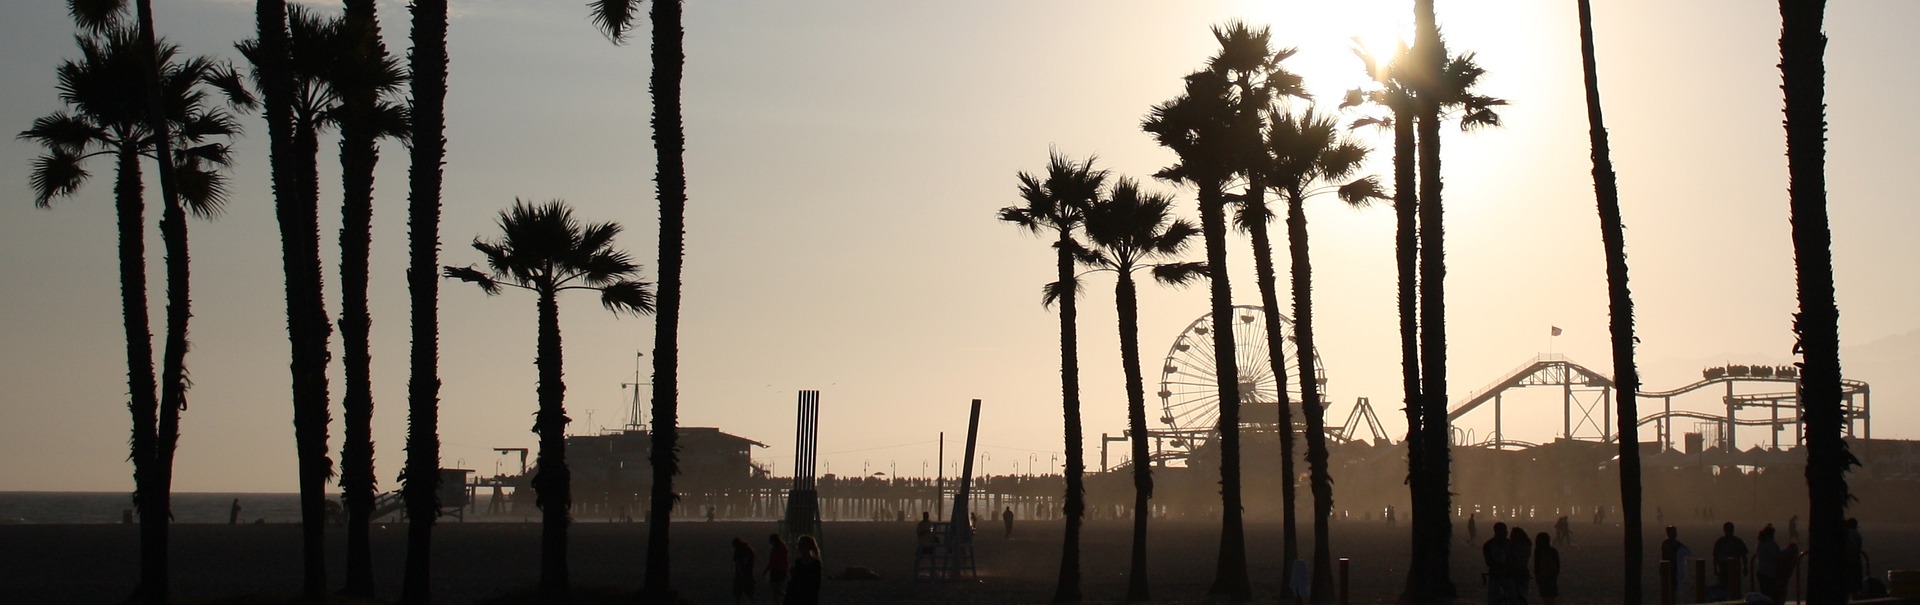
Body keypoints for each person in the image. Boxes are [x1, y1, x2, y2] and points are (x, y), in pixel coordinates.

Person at [1711, 522, 1749, 598]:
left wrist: (1745, 567)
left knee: (1735, 587)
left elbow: (1744, 555)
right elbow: (1715, 556)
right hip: (1723, 569)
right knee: (1724, 588)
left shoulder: (1737, 541)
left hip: (1734, 569)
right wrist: (1715, 568)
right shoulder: (1721, 542)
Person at [784, 535, 822, 605]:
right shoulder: (798, 562)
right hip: (797, 597)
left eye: (801, 545)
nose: (799, 547)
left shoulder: (815, 563)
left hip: (808, 597)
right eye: (799, 545)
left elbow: (815, 584)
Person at [1755, 525, 1784, 605]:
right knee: (1770, 595)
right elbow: (1777, 555)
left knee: (1765, 594)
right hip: (1767, 573)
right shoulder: (1769, 544)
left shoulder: (1762, 543)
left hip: (1761, 571)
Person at [1483, 522, 1510, 605]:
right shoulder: (1489, 545)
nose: (1506, 532)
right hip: (1496, 575)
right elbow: (1489, 561)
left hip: (1508, 575)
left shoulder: (1509, 544)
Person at [1660, 526, 1688, 603]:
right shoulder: (1669, 544)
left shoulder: (1675, 544)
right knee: (1669, 588)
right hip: (1670, 567)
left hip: (1674, 568)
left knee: (1673, 588)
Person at [1533, 532, 1561, 605]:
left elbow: (1537, 566)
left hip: (1542, 577)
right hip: (1551, 577)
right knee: (1550, 598)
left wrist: (1537, 577)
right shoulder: (1553, 551)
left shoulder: (1538, 551)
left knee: (1545, 597)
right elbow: (1557, 566)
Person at [1509, 526, 1533, 605]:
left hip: (1515, 573)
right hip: (1523, 572)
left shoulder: (1514, 546)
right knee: (1522, 594)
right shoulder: (1526, 545)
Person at [764, 533, 790, 602]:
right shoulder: (783, 548)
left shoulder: (776, 549)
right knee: (775, 590)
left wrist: (766, 570)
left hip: (776, 571)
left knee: (775, 590)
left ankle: (787, 598)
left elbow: (772, 561)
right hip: (781, 570)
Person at [732, 537, 756, 604]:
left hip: (740, 576)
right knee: (750, 594)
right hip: (749, 574)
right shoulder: (749, 550)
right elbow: (752, 563)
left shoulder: (738, 551)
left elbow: (738, 563)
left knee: (737, 594)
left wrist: (741, 573)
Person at [1845, 517, 1865, 596]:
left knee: (1847, 580)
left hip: (1848, 560)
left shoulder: (1847, 533)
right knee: (1856, 581)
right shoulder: (1857, 534)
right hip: (1856, 559)